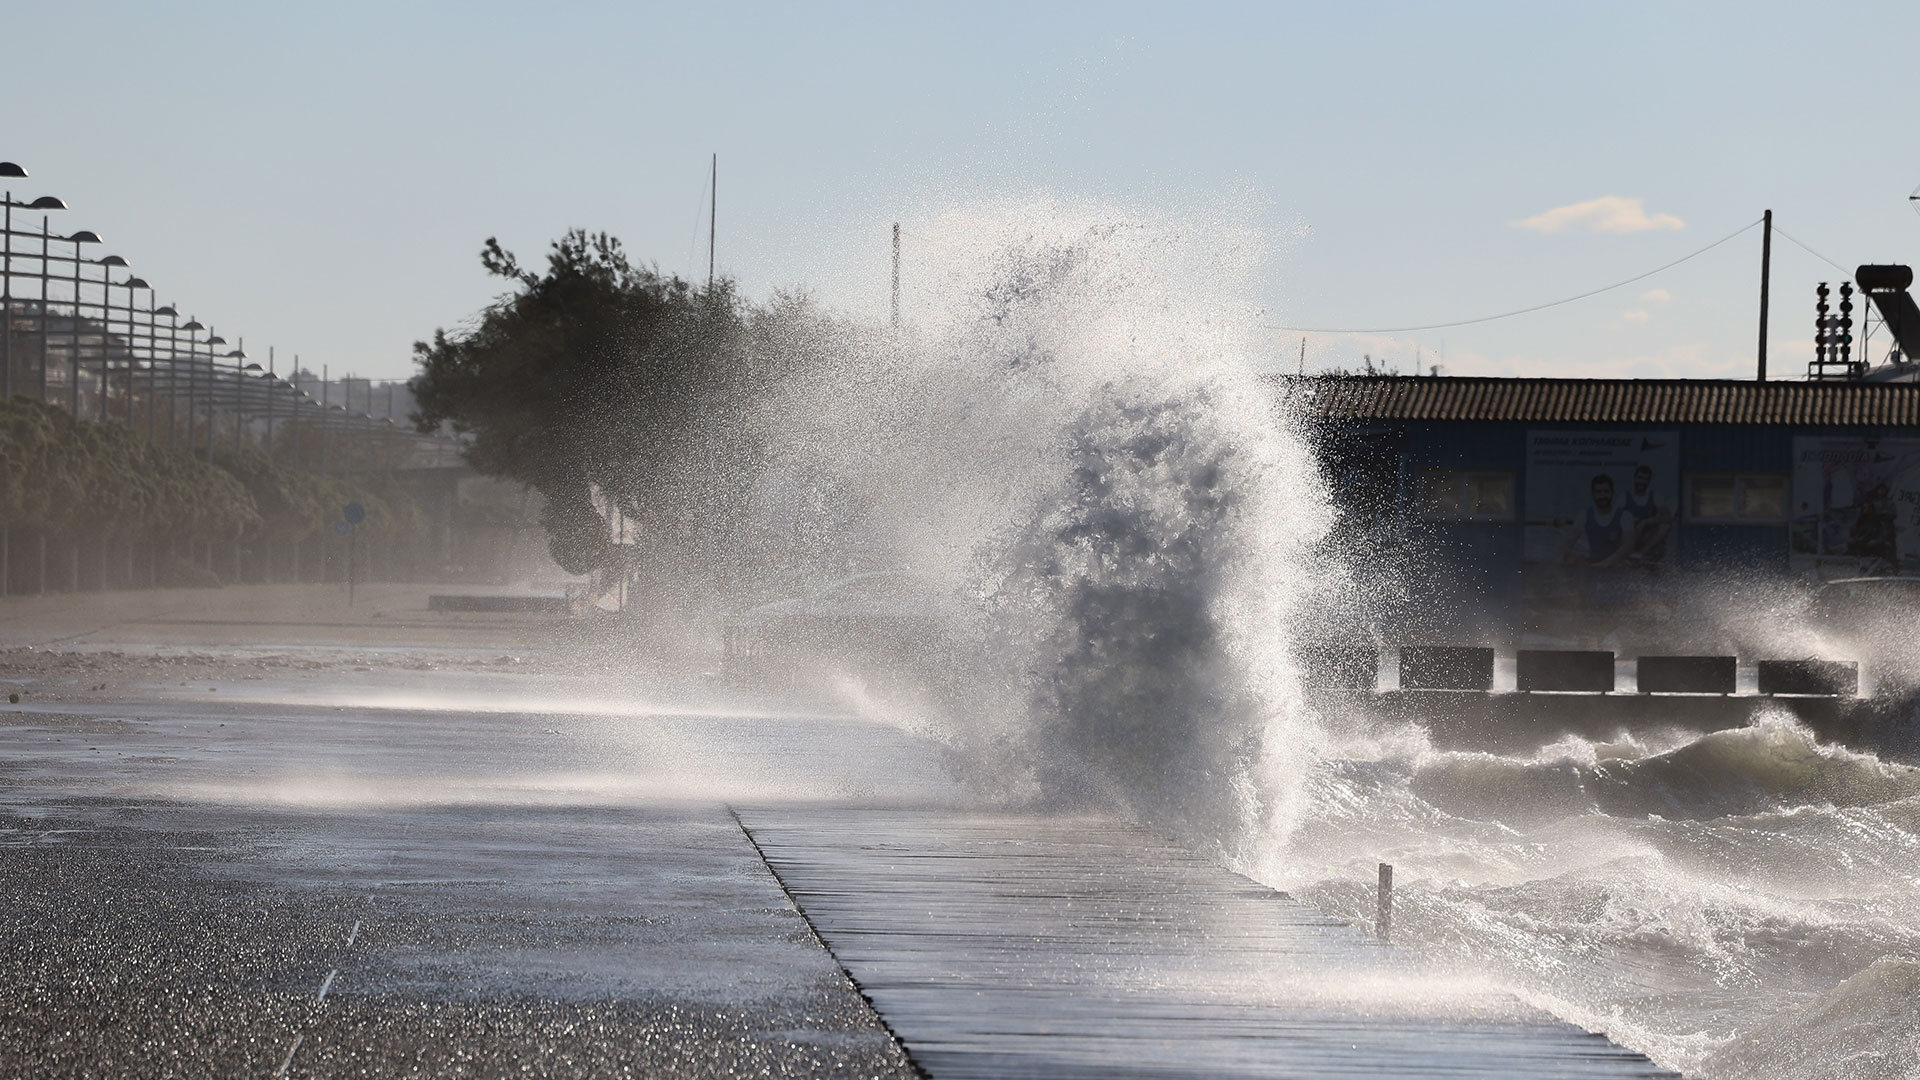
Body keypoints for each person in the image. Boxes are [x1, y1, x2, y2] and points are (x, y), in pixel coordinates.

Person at [1561, 473, 1632, 567]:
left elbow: (1628, 546)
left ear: (1612, 492)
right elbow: (1568, 543)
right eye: (1598, 492)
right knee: (1570, 557)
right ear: (1592, 494)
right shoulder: (1584, 515)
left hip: (1617, 566)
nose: (1602, 496)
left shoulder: (1625, 516)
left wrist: (1605, 563)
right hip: (1595, 565)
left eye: (1606, 491)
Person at [1623, 463, 1671, 563]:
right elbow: (1615, 517)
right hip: (1630, 534)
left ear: (1649, 481)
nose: (1642, 482)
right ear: (1635, 478)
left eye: (1645, 479)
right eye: (1640, 478)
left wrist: (1646, 521)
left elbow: (1668, 517)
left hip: (1647, 535)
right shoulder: (1624, 496)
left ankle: (1640, 554)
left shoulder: (1655, 496)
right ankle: (1626, 555)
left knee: (1664, 526)